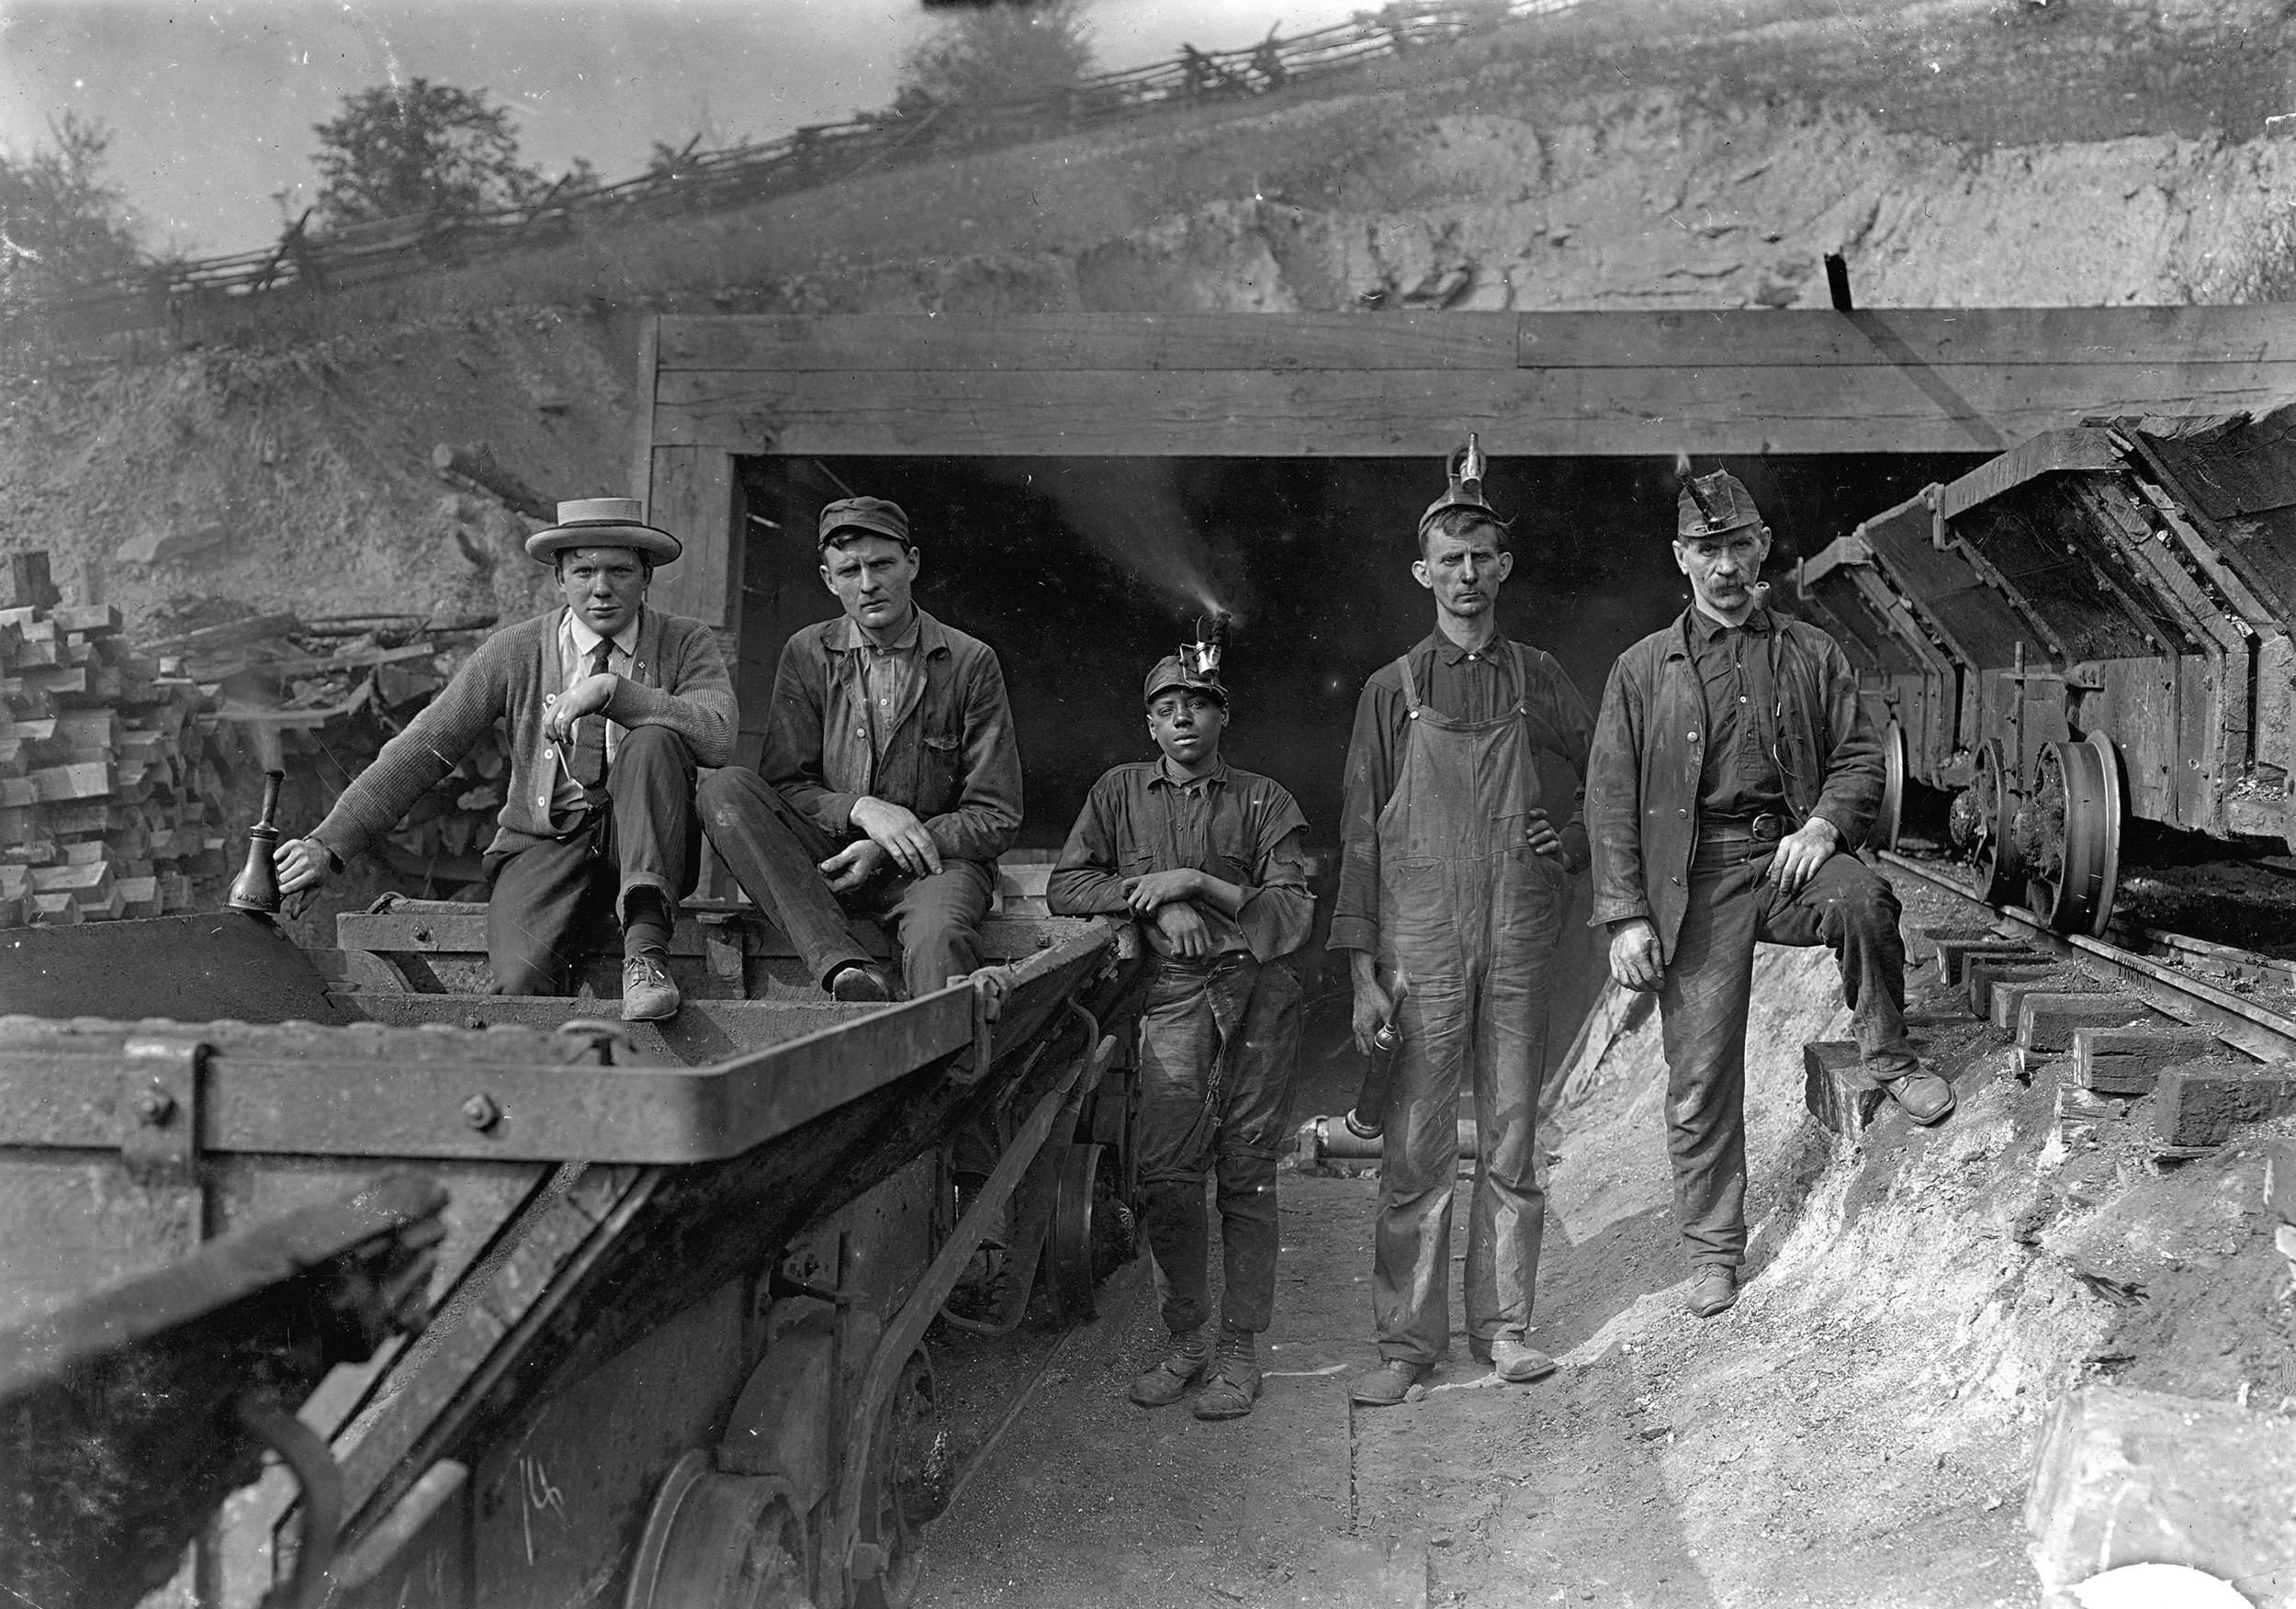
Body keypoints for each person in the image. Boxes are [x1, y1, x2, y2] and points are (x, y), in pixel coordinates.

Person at [1587, 467, 1955, 1322]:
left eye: (1738, 546)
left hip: (1786, 858)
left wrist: (1825, 827)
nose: (1725, 567)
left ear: (1762, 549)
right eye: (1707, 550)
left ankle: (1891, 1060)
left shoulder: (1811, 652)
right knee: (1700, 1074)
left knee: (1862, 899)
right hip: (1694, 880)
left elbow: (1862, 758)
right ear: (1682, 559)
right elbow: (1608, 801)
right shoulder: (1643, 671)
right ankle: (1716, 1250)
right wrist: (1627, 915)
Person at [1332, 452, 1594, 1409]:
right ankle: (1407, 1344)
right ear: (1424, 574)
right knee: (1415, 1145)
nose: (1468, 575)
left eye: (1482, 556)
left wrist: (1564, 840)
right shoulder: (1389, 689)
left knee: (1515, 1132)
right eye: (1450, 560)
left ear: (1503, 567)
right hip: (1421, 942)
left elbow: (1606, 773)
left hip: (1517, 932)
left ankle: (1506, 1330)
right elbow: (1359, 835)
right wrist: (1363, 977)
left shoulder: (1539, 676)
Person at [276, 498, 734, 1021]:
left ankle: (646, 958)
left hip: (646, 841)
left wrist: (614, 691)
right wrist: (327, 844)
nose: (601, 588)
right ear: (559, 577)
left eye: (620, 571)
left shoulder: (685, 642)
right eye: (583, 571)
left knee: (653, 739)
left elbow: (717, 738)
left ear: (646, 575)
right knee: (519, 987)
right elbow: (423, 748)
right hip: (546, 843)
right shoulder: (514, 651)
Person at [1047, 652, 1313, 1422]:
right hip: (1169, 998)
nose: (1184, 719)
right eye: (1168, 709)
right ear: (1150, 724)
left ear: (1223, 715)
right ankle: (1187, 1339)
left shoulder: (1264, 800)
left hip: (1257, 997)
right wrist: (1154, 903)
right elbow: (1068, 884)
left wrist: (1194, 881)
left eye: (1198, 704)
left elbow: (1291, 917)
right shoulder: (1119, 792)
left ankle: (1239, 1350)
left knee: (1246, 1173)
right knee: (1166, 1175)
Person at [697, 496, 1022, 1001]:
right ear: (829, 580)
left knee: (940, 938)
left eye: (882, 565)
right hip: (831, 858)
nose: (868, 584)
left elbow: (995, 815)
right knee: (725, 789)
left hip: (934, 865)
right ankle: (845, 967)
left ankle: (940, 1074)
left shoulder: (968, 661)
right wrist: (863, 810)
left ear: (911, 563)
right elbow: (786, 786)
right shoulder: (808, 653)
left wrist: (891, 840)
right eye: (849, 570)